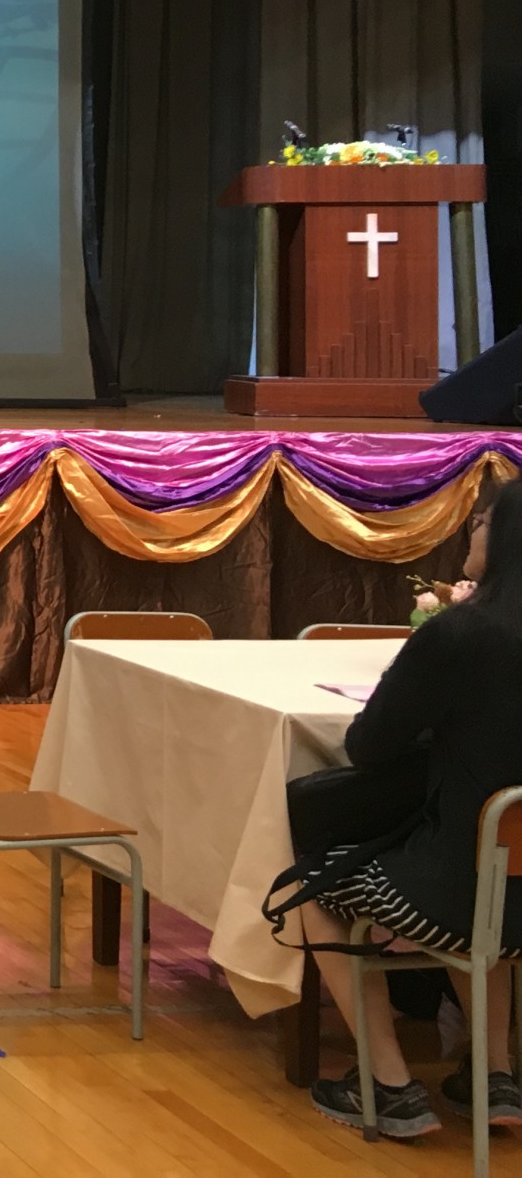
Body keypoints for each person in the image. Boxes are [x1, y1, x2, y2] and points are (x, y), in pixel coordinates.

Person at [300, 479, 522, 1140]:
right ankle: (495, 1075)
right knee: (497, 876)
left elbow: (368, 746)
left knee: (310, 883)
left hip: (459, 889)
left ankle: (389, 1083)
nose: (472, 533)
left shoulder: (463, 633)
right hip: (510, 887)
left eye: (481, 523)